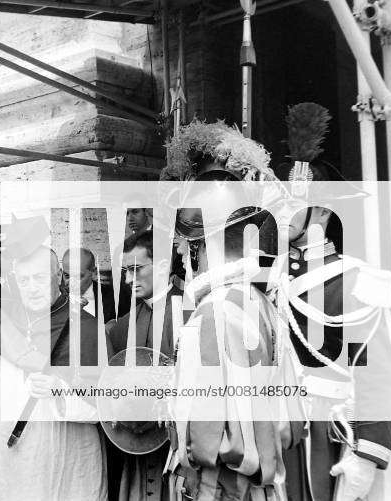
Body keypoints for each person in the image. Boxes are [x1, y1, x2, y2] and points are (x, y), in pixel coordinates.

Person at [165, 121, 298, 500]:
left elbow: (205, 445)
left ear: (196, 246)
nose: (180, 253)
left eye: (183, 244)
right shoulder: (264, 304)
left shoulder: (213, 314)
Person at [273, 105, 391, 501]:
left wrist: (366, 454)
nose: (282, 215)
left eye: (293, 205)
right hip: (283, 432)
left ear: (323, 210)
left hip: (332, 436)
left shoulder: (354, 281)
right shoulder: (271, 278)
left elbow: (376, 375)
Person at [0, 216, 107, 501]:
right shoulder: (1, 317)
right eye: (25, 279)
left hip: (64, 452)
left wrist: (60, 391)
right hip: (3, 447)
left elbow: (104, 406)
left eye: (41, 278)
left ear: (59, 277)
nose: (32, 287)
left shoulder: (87, 328)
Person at [102, 230, 177, 501]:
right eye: (125, 271)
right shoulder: (123, 324)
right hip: (137, 445)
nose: (128, 279)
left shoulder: (192, 312)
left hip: (179, 449)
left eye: (135, 269)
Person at [62, 247, 118, 323]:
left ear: (94, 272)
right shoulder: (54, 297)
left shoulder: (115, 297)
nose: (71, 282)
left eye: (78, 276)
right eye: (67, 276)